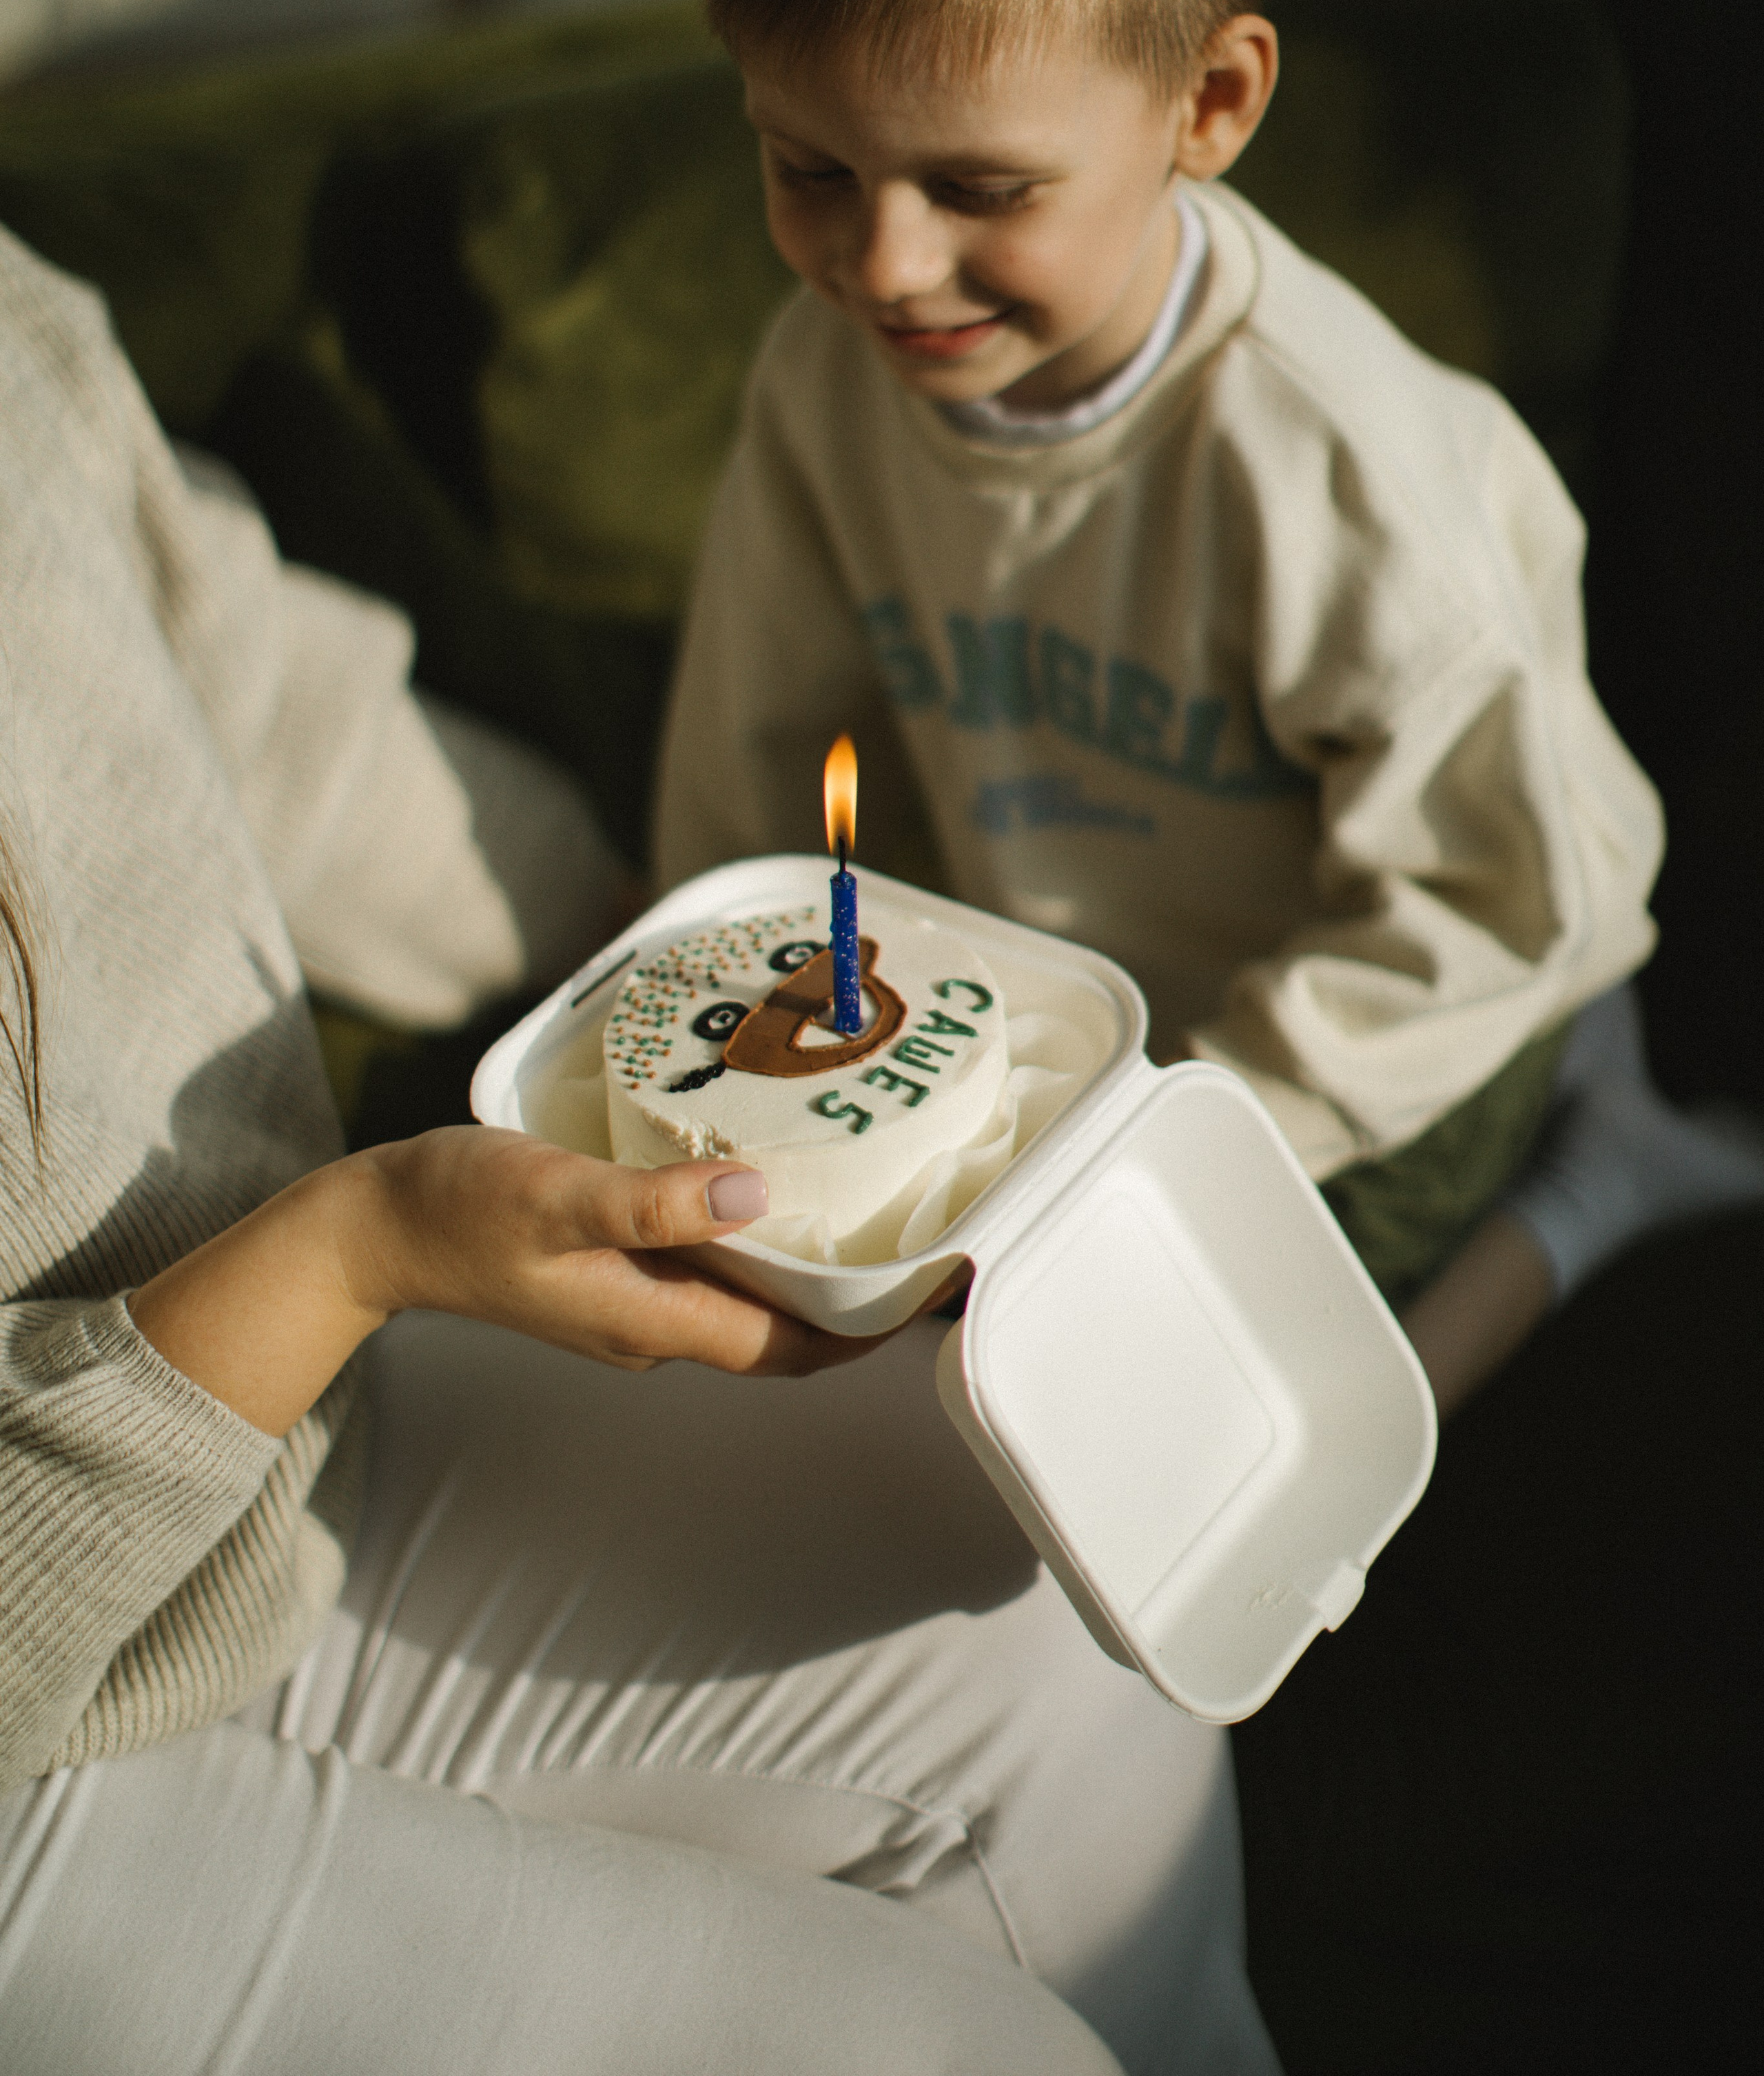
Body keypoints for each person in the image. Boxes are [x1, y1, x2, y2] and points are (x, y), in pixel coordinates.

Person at [0, 219, 1281, 2076]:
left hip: (271, 1472)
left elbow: (245, 700)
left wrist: (652, 971)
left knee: (1059, 1625)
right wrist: (354, 1252)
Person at [655, 0, 1762, 1420]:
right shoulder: (817, 374)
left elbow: (1511, 895)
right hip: (1098, 1026)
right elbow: (762, 747)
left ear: (1212, 103)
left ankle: (1589, 1188)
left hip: (1412, 1019)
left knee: (1241, 1411)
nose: (883, 258)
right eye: (809, 165)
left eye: (979, 185)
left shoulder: (1342, 464)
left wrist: (1173, 1141)